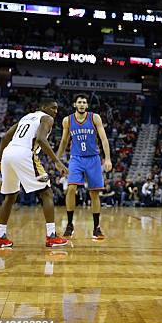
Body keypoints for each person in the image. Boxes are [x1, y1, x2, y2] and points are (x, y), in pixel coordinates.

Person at [0, 99, 69, 248]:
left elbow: (6, 136)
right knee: (47, 193)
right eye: (53, 108)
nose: (55, 111)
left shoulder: (26, 117)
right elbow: (40, 139)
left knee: (11, 196)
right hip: (25, 154)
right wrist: (56, 161)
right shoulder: (47, 118)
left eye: (57, 109)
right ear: (43, 107)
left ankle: (0, 236)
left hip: (8, 154)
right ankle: (51, 236)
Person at [56, 93, 112, 240]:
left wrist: (107, 158)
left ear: (87, 105)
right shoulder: (67, 120)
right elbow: (63, 141)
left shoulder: (95, 118)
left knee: (94, 193)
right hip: (76, 158)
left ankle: (96, 227)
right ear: (75, 104)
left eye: (84, 102)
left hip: (93, 159)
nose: (81, 104)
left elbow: (104, 139)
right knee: (71, 188)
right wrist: (57, 160)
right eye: (79, 102)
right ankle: (69, 224)